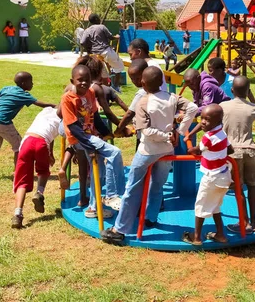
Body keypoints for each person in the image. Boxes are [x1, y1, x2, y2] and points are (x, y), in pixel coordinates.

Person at [101, 67, 197, 243]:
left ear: (143, 83)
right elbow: (193, 107)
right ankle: (151, 217)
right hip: (167, 150)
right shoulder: (172, 98)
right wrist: (179, 131)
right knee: (157, 185)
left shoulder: (143, 102)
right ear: (162, 81)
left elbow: (146, 132)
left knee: (132, 188)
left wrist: (168, 134)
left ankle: (119, 229)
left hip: (148, 151)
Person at [60, 65, 125, 217]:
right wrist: (88, 146)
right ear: (72, 81)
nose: (84, 83)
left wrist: (107, 133)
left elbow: (95, 117)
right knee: (115, 153)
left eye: (87, 80)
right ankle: (111, 195)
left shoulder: (90, 93)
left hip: (91, 136)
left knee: (99, 172)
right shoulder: (67, 99)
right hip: (80, 138)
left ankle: (93, 208)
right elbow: (73, 127)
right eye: (80, 80)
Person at [219, 76, 255, 232]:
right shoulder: (253, 108)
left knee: (238, 188)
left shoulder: (223, 106)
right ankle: (254, 220)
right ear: (248, 91)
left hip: (233, 152)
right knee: (252, 185)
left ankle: (244, 222)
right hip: (250, 151)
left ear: (232, 90)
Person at [182, 104, 233, 245]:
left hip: (212, 177)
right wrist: (217, 154)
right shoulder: (222, 133)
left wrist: (190, 148)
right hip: (224, 175)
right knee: (215, 205)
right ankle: (220, 235)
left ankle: (196, 237)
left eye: (207, 120)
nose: (203, 122)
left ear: (217, 121)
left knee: (200, 206)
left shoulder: (208, 137)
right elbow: (230, 149)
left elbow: (197, 150)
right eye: (202, 118)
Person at [12, 106, 61, 228]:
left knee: (22, 181)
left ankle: (17, 214)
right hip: (43, 143)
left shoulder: (46, 110)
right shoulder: (62, 119)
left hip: (28, 140)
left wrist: (51, 153)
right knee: (43, 171)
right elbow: (50, 135)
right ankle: (39, 192)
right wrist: (50, 154)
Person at [80, 13, 124, 93]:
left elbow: (82, 42)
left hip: (95, 55)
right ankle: (115, 86)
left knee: (103, 72)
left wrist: (89, 50)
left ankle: (104, 90)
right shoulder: (101, 27)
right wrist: (116, 37)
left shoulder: (87, 30)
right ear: (97, 19)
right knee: (119, 66)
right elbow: (110, 37)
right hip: (105, 51)